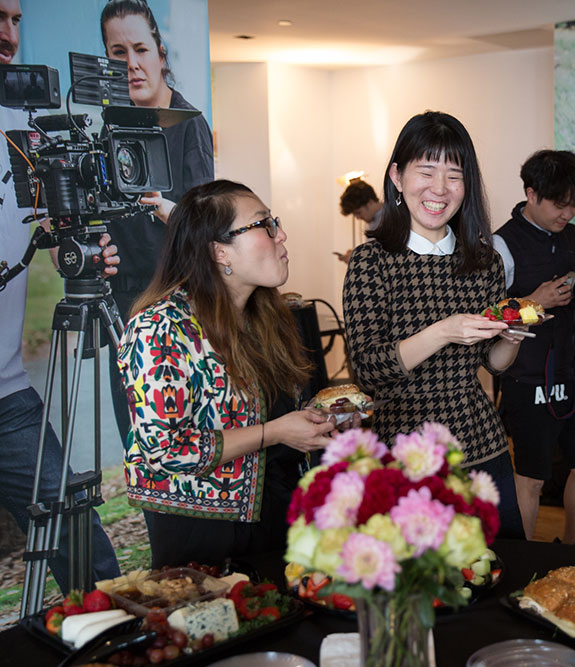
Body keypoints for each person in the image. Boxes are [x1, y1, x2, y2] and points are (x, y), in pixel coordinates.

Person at [117, 180, 338, 568]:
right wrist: (279, 432)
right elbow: (166, 450)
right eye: (264, 224)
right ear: (220, 252)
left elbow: (279, 411)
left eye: (275, 222)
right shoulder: (159, 327)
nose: (281, 234)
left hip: (277, 516)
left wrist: (321, 421)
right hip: (204, 535)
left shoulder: (267, 315)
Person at [343, 111, 525, 539]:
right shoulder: (371, 262)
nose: (439, 190)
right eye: (426, 171)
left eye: (454, 176)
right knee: (420, 582)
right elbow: (368, 371)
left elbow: (493, 363)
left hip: (479, 442)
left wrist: (510, 337)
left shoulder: (484, 262)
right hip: (403, 449)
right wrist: (444, 330)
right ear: (397, 177)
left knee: (498, 566)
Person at [0, 0, 120, 593]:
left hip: (9, 398)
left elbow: (42, 229)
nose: (9, 33)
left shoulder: (21, 127)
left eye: (17, 19)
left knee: (85, 547)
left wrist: (74, 241)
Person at [100, 0, 215, 449]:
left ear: (160, 54)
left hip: (178, 306)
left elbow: (207, 228)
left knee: (183, 442)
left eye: (140, 49)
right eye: (117, 53)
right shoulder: (109, 127)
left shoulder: (190, 127)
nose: (131, 64)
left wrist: (168, 209)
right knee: (139, 441)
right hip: (122, 310)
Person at [492, 150, 575, 545]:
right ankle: (525, 559)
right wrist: (535, 302)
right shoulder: (502, 245)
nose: (568, 214)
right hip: (530, 378)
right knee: (531, 479)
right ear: (531, 193)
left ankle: (574, 547)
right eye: (560, 204)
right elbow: (488, 318)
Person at [336, 179, 383, 263]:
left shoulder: (392, 218)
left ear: (370, 202)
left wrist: (357, 257)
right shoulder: (371, 220)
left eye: (358, 213)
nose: (358, 217)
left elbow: (386, 257)